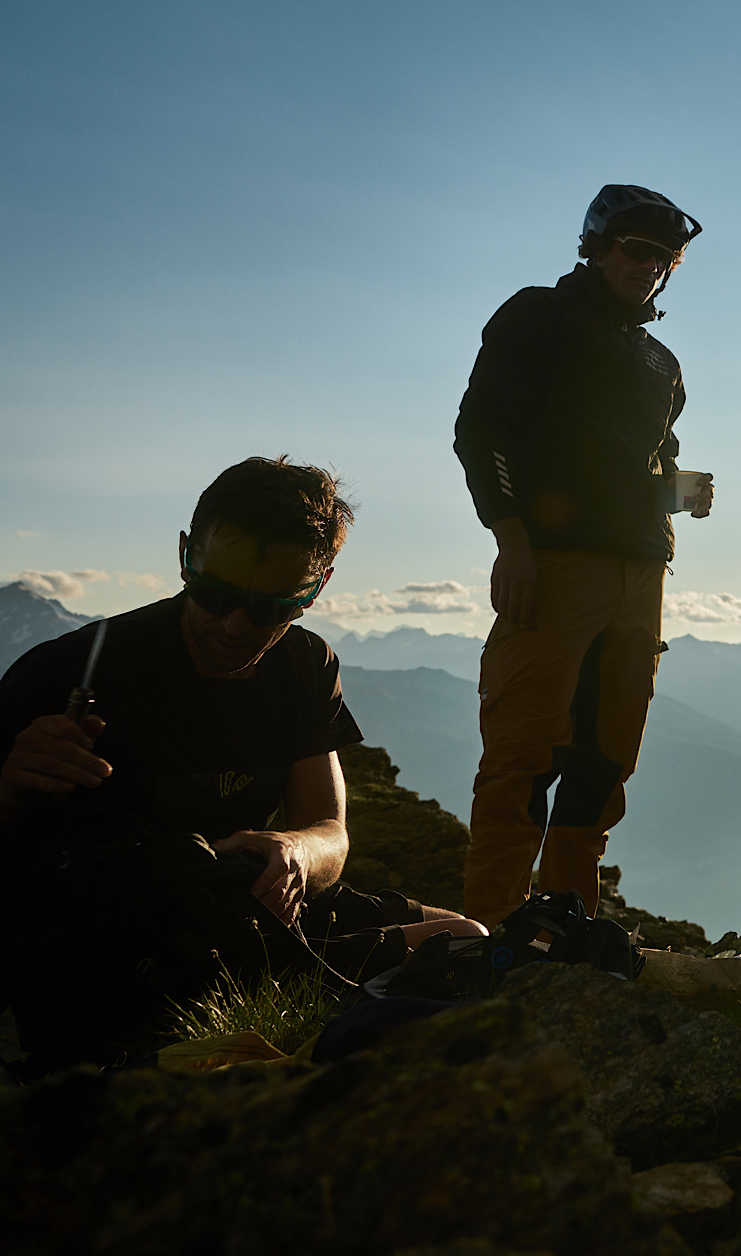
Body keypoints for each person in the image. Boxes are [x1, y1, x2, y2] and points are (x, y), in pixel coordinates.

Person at [0, 457, 481, 1074]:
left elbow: (330, 835)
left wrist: (293, 851)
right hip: (111, 940)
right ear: (184, 556)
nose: (234, 625)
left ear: (318, 585)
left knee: (468, 941)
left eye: (272, 607)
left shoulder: (306, 666)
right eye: (215, 594)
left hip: (251, 907)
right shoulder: (68, 669)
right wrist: (11, 785)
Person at [454, 184, 713, 928]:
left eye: (666, 257)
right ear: (596, 245)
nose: (651, 266)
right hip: (556, 563)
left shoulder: (662, 362)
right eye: (637, 249)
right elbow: (483, 428)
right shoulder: (542, 313)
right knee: (524, 752)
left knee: (606, 759)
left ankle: (569, 928)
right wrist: (511, 538)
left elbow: (649, 463)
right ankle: (490, 934)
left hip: (642, 571)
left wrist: (678, 493)